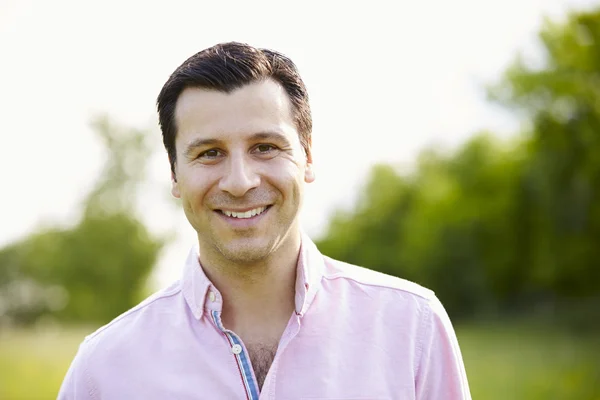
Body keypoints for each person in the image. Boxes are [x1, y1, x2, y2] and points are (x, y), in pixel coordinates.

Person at [59, 42, 471, 399]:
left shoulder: (413, 328)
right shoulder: (104, 369)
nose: (239, 182)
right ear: (174, 174)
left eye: (265, 147)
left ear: (307, 158)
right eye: (209, 153)